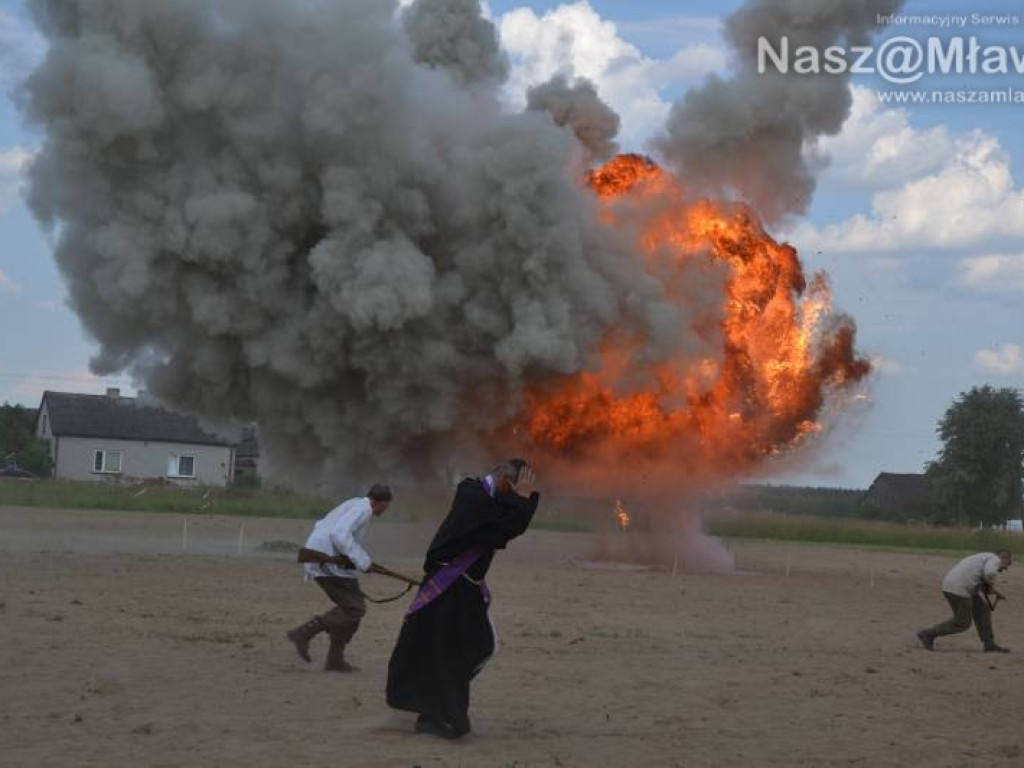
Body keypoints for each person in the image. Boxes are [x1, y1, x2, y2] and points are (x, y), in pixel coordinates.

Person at [386, 460, 539, 739]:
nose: (521, 494)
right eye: (518, 487)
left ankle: (435, 709)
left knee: (475, 647)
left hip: (462, 589)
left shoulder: (488, 501)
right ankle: (436, 715)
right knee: (451, 651)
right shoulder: (473, 496)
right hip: (449, 588)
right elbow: (506, 529)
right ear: (506, 481)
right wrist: (522, 500)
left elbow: (507, 528)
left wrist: (523, 498)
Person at [285, 484, 393, 672]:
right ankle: (304, 633)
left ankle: (335, 660)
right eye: (386, 506)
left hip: (333, 560)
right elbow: (339, 535)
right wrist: (363, 561)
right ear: (380, 503)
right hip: (325, 560)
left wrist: (361, 561)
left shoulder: (355, 504)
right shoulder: (364, 509)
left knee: (352, 611)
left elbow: (326, 526)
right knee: (354, 609)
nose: (386, 510)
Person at [917, 550, 1012, 653]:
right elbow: (990, 573)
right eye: (1008, 563)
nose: (1006, 568)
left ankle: (989, 644)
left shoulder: (984, 557)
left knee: (983, 610)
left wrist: (989, 588)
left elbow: (976, 576)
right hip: (958, 588)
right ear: (1004, 558)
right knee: (963, 622)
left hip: (959, 586)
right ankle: (928, 634)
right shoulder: (995, 559)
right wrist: (990, 586)